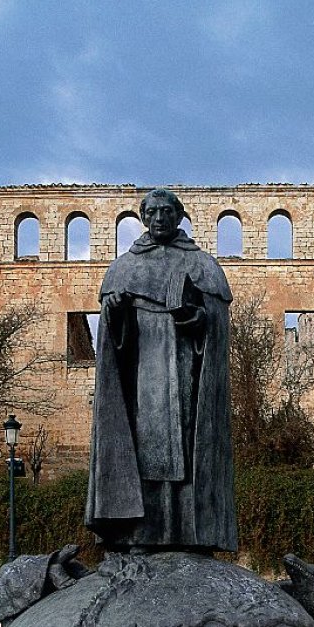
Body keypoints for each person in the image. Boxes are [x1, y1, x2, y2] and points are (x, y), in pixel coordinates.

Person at [84, 188, 237, 553]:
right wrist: (117, 313)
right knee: (141, 450)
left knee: (185, 449)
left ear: (178, 215)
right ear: (143, 218)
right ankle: (139, 534)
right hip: (143, 375)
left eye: (166, 211)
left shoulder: (201, 264)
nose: (158, 218)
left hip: (186, 372)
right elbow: (112, 341)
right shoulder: (125, 267)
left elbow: (215, 323)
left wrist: (198, 319)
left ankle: (188, 534)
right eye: (151, 212)